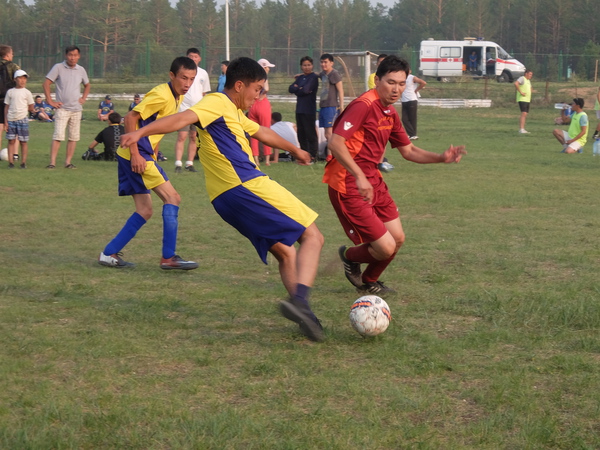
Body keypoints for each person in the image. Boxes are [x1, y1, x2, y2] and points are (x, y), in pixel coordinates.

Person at [120, 57, 325, 342]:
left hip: (224, 200)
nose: (258, 96)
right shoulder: (216, 102)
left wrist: (295, 149)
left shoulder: (233, 111)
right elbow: (183, 118)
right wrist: (141, 131)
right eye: (256, 89)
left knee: (285, 252)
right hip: (245, 185)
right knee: (313, 236)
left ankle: (306, 317)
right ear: (239, 85)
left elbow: (262, 132)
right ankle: (300, 301)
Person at [323, 55, 466, 296]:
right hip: (349, 183)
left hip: (373, 181)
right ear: (377, 80)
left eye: (401, 84)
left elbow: (408, 151)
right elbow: (335, 143)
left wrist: (441, 157)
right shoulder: (363, 105)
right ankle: (349, 256)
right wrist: (358, 175)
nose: (396, 89)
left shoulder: (389, 112)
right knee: (385, 246)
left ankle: (369, 280)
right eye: (391, 82)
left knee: (397, 238)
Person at [98, 56, 199, 271]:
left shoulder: (176, 96)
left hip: (136, 154)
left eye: (191, 79)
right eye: (183, 78)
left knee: (144, 210)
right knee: (173, 198)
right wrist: (136, 154)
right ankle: (168, 257)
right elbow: (130, 118)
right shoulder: (162, 95)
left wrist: (153, 153)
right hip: (136, 154)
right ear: (172, 75)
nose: (187, 84)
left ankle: (108, 253)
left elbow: (156, 127)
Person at [43, 45, 91, 169]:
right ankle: (52, 163)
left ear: (79, 56)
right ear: (66, 55)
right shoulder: (58, 67)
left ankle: (68, 162)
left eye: (75, 55)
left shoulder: (81, 70)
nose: (72, 58)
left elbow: (87, 85)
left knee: (73, 137)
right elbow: (46, 83)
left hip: (76, 109)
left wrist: (83, 98)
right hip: (62, 109)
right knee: (58, 136)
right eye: (70, 55)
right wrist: (50, 101)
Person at [173, 48, 211, 174]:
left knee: (194, 137)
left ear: (199, 59)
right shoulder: (182, 72)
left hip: (197, 110)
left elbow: (204, 93)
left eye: (195, 57)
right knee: (182, 136)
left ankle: (189, 163)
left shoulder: (203, 73)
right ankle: (178, 163)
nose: (193, 59)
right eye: (191, 56)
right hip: (183, 109)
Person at [288, 56, 319, 160]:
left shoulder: (313, 77)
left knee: (310, 133)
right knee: (301, 134)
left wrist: (298, 89)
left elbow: (305, 90)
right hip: (300, 109)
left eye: (309, 65)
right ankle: (304, 155)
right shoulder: (300, 77)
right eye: (304, 65)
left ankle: (312, 155)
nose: (307, 67)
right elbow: (291, 88)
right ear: (301, 66)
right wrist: (299, 88)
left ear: (312, 66)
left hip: (309, 109)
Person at [3, 69, 34, 169]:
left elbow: (31, 106)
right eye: (20, 78)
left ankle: (23, 162)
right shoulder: (10, 92)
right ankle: (11, 162)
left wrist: (26, 111)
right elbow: (6, 107)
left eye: (24, 78)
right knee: (11, 141)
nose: (22, 80)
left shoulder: (27, 93)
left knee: (23, 141)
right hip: (11, 119)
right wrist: (6, 121)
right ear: (15, 79)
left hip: (22, 119)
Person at [248, 58, 275, 166]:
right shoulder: (263, 77)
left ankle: (256, 159)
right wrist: (262, 94)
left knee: (253, 132)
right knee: (265, 131)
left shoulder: (251, 78)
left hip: (253, 105)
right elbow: (266, 88)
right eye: (267, 67)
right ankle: (267, 159)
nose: (268, 69)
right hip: (262, 104)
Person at [318, 53, 344, 157]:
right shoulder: (323, 74)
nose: (323, 64)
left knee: (330, 133)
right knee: (326, 134)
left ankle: (331, 156)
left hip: (331, 106)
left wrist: (341, 107)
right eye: (322, 62)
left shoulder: (334, 74)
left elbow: (340, 91)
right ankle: (331, 155)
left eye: (325, 62)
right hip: (323, 106)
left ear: (331, 63)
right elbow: (316, 74)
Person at [0, 45, 20, 138]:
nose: (12, 55)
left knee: (0, 126)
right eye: (12, 53)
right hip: (10, 99)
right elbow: (20, 80)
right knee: (13, 127)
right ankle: (13, 148)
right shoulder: (13, 66)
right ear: (7, 54)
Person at [401, 70, 427, 140]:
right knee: (404, 119)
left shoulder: (412, 78)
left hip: (412, 99)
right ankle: (412, 134)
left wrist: (416, 90)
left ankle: (413, 135)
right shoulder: (401, 78)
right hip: (404, 100)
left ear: (410, 71)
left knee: (412, 118)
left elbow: (423, 83)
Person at [515, 69, 533, 134]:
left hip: (527, 99)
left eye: (531, 75)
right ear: (526, 73)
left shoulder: (528, 81)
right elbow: (516, 83)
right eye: (530, 74)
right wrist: (521, 92)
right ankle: (521, 129)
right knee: (524, 113)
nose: (531, 76)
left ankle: (523, 128)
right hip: (522, 99)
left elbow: (530, 88)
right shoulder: (522, 78)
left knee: (525, 114)